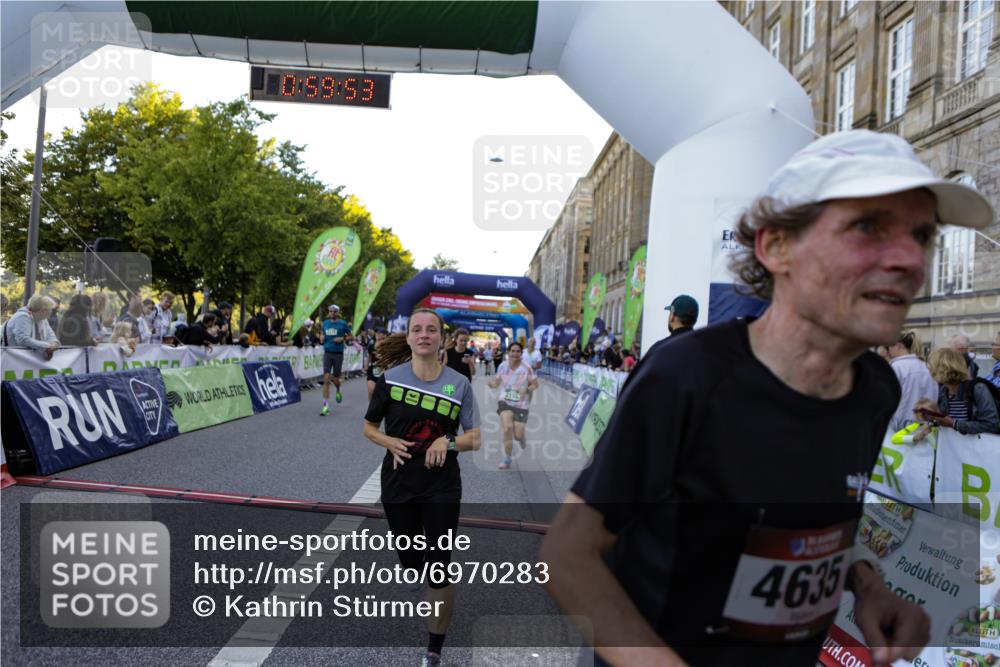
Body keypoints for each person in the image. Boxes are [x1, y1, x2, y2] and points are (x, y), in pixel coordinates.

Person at [539, 130, 990, 666]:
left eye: (921, 235)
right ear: (776, 246)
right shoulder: (688, 374)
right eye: (867, 226)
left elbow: (816, 527)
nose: (909, 259)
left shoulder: (876, 388)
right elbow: (567, 555)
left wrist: (867, 585)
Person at [363, 308, 480, 667]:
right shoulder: (391, 379)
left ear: (440, 338)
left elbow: (474, 438)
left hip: (442, 486)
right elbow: (368, 427)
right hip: (398, 484)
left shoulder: (458, 382)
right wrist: (387, 442)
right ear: (410, 337)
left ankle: (434, 649)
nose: (424, 335)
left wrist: (448, 440)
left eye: (431, 330)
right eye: (417, 329)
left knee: (438, 567)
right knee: (412, 562)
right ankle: (413, 568)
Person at [921, 347, 999, 435]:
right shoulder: (944, 391)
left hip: (978, 448)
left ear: (943, 369)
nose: (930, 370)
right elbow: (946, 421)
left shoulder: (977, 389)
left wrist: (954, 424)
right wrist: (932, 419)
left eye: (932, 366)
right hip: (956, 447)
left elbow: (992, 425)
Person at [488, 341, 538, 470]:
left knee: (518, 434)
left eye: (518, 351)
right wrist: (492, 384)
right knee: (507, 428)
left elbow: (535, 384)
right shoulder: (503, 366)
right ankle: (507, 458)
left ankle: (521, 438)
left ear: (521, 354)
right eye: (513, 351)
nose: (515, 354)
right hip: (505, 401)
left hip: (522, 404)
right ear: (508, 353)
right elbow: (497, 382)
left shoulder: (526, 367)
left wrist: (526, 390)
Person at [887, 330, 938, 432]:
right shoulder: (927, 367)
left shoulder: (896, 367)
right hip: (925, 428)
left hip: (900, 430)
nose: (888, 351)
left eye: (889, 346)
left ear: (898, 345)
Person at [320, 304, 351, 415]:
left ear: (338, 312)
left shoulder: (343, 324)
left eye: (334, 311)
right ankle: (325, 406)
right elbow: (322, 334)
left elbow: (351, 336)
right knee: (326, 378)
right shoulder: (325, 323)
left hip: (338, 354)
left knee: (335, 379)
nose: (332, 313)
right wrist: (321, 337)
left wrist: (342, 338)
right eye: (330, 311)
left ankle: (338, 389)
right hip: (327, 353)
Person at [366, 327, 388, 401]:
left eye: (379, 333)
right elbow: (369, 356)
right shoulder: (371, 345)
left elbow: (390, 359)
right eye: (376, 332)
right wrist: (366, 365)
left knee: (381, 394)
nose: (377, 334)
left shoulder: (388, 346)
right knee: (371, 390)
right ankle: (371, 408)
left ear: (384, 335)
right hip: (373, 370)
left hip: (384, 371)